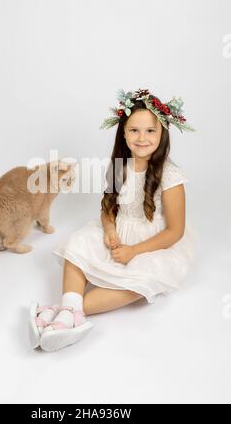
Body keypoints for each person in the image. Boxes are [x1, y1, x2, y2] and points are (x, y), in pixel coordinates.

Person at [29, 88, 197, 352]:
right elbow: (108, 207)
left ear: (162, 133)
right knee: (76, 247)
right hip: (119, 234)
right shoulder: (120, 165)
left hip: (153, 243)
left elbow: (175, 231)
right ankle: (69, 316)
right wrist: (108, 228)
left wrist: (133, 251)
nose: (142, 138)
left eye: (150, 131)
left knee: (139, 285)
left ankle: (65, 313)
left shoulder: (170, 175)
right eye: (134, 130)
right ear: (123, 133)